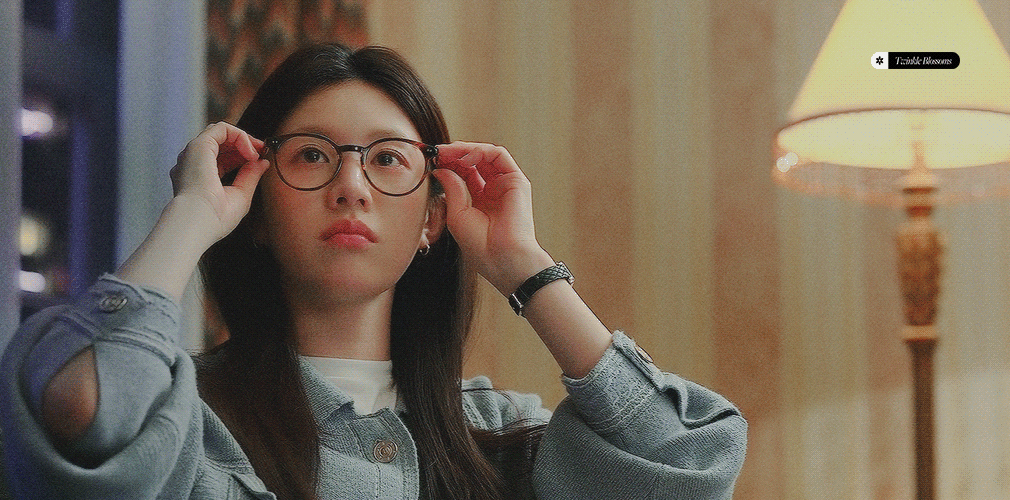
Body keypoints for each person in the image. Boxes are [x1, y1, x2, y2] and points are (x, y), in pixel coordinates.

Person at [0, 43, 746, 499]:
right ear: (255, 209)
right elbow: (84, 408)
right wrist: (191, 218)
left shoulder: (500, 439)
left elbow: (690, 461)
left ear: (431, 220)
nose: (351, 185)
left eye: (388, 158)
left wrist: (524, 266)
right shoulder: (188, 423)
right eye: (311, 155)